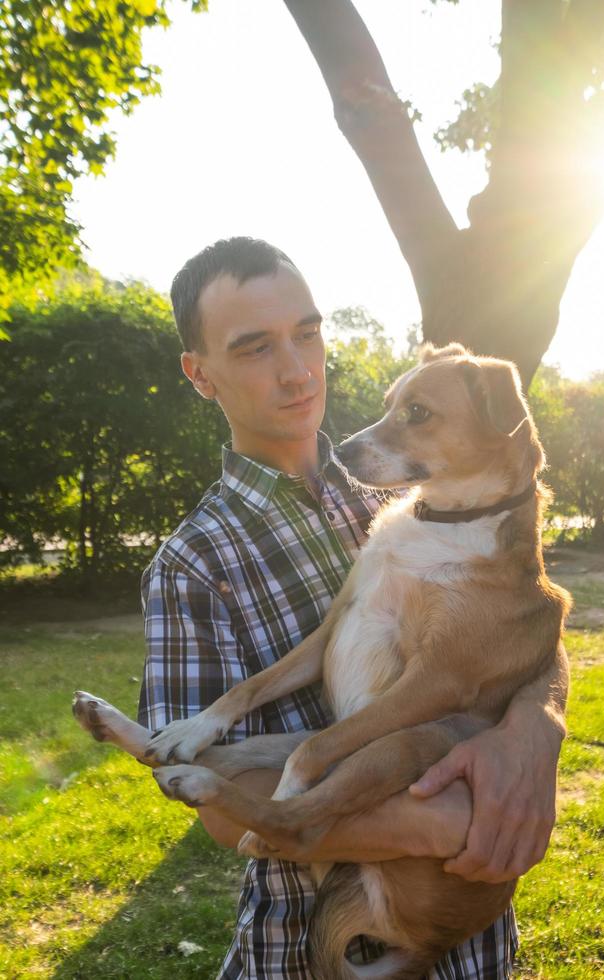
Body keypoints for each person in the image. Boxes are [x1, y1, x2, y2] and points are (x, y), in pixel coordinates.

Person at [138, 236, 568, 979]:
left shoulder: (418, 493)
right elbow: (212, 803)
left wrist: (537, 724)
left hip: (474, 949)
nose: (298, 368)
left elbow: (521, 622)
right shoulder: (193, 563)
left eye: (307, 333)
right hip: (316, 939)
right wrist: (448, 829)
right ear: (199, 375)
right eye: (253, 348)